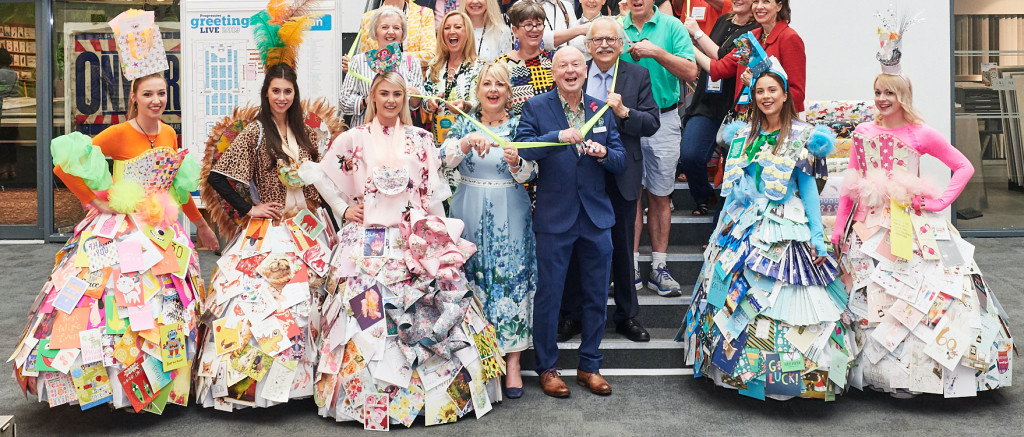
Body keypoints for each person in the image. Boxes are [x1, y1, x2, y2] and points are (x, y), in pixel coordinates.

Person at [300, 71, 502, 424]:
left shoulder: (422, 139)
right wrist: (345, 209)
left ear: (405, 98)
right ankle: (368, 402)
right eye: (384, 93)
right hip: (368, 241)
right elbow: (323, 176)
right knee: (367, 319)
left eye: (397, 94)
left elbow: (433, 192)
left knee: (431, 310)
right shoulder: (353, 139)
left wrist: (443, 238)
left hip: (415, 241)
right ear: (372, 98)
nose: (391, 100)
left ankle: (432, 399)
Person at [10, 72, 219, 411]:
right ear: (134, 97)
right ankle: (111, 388)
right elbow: (65, 164)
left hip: (160, 234)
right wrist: (94, 200)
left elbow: (176, 189)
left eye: (162, 94)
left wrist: (201, 226)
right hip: (120, 231)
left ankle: (159, 386)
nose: (156, 100)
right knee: (114, 308)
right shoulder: (119, 134)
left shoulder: (167, 132)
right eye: (148, 94)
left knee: (161, 307)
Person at [832, 42, 1013, 396]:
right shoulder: (863, 133)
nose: (883, 99)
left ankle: (923, 376)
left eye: (890, 93)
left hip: (910, 229)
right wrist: (839, 227)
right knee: (871, 298)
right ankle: (874, 373)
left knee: (918, 299)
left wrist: (939, 201)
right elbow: (850, 186)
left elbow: (963, 166)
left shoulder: (921, 133)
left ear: (904, 95)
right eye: (878, 92)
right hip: (867, 230)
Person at [678, 58, 849, 401]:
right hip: (744, 224)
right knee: (737, 296)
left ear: (786, 95)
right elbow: (735, 187)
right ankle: (741, 374)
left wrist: (817, 236)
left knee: (785, 295)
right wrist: (719, 232)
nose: (766, 96)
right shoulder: (743, 135)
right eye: (759, 91)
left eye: (772, 90)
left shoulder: (803, 137)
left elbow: (810, 189)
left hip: (785, 224)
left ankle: (792, 380)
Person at [200, 63, 328, 408]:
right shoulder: (257, 131)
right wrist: (249, 208)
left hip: (309, 227)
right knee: (268, 299)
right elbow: (218, 177)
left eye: (288, 91)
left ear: (294, 94)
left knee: (313, 294)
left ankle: (307, 382)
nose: (282, 97)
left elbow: (320, 179)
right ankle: (258, 387)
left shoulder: (306, 133)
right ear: (266, 93)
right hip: (273, 228)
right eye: (276, 91)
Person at [515, 46, 626, 398]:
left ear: (586, 69)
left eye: (576, 64)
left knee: (596, 295)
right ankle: (548, 368)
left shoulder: (601, 108)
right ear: (553, 72)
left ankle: (589, 366)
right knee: (549, 295)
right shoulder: (536, 107)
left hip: (596, 217)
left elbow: (621, 160)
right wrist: (556, 137)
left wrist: (605, 153)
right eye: (562, 65)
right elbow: (522, 149)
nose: (570, 70)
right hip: (554, 216)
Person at [440, 62, 538, 399]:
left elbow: (531, 173)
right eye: (487, 84)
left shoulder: (520, 126)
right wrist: (465, 143)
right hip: (468, 208)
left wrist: (516, 162)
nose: (493, 90)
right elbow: (442, 160)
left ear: (509, 92)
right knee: (472, 280)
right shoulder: (463, 123)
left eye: (500, 85)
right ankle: (476, 357)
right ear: (478, 90)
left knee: (509, 279)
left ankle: (512, 361)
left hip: (509, 209)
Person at [560, 16, 660, 343]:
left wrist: (624, 113)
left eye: (611, 40)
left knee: (621, 247)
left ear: (621, 45)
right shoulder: (576, 70)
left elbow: (652, 123)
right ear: (588, 45)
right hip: (583, 173)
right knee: (578, 245)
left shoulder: (638, 75)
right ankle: (573, 314)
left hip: (623, 174)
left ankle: (626, 316)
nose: (604, 45)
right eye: (597, 40)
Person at [620, 0, 698, 297]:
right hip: (624, 120)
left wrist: (656, 52)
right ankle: (631, 266)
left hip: (664, 118)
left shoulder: (672, 26)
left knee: (660, 195)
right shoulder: (616, 27)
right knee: (630, 195)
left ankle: (659, 267)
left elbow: (691, 72)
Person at [678, 0, 757, 216]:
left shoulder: (756, 29)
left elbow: (723, 59)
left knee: (733, 169)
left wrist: (695, 36)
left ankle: (721, 221)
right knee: (690, 156)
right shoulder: (724, 19)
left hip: (735, 108)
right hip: (707, 102)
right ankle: (703, 196)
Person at [693, 0, 805, 113]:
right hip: (745, 119)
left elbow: (797, 95)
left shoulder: (789, 38)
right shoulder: (750, 37)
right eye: (756, 1)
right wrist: (688, 45)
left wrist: (755, 84)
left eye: (766, 2)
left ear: (779, 6)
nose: (759, 7)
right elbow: (719, 69)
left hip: (774, 123)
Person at [424, 11, 486, 195]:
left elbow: (484, 101)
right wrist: (430, 103)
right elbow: (425, 99)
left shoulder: (479, 66)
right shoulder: (434, 65)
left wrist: (466, 106)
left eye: (458, 27)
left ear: (467, 33)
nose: (452, 31)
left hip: (468, 145)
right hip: (438, 146)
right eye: (447, 27)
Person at [341, 5, 425, 127]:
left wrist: (416, 96)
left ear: (402, 34)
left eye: (396, 28)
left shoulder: (412, 62)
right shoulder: (359, 61)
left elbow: (417, 104)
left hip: (400, 133)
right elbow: (344, 102)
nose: (391, 32)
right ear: (375, 32)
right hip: (366, 134)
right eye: (384, 27)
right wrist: (366, 101)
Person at [496, 1, 555, 115]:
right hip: (517, 129)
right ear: (515, 31)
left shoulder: (553, 60)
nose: (535, 29)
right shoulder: (501, 65)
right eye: (528, 25)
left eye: (538, 24)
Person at [357, 0, 437, 69]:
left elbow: (430, 55)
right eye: (384, 27)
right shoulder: (368, 17)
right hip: (377, 80)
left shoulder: (424, 14)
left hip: (413, 80)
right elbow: (365, 58)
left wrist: (395, 57)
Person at [0, 47, 19, 179]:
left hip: (2, 112)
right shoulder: (13, 74)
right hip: (13, 112)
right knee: (11, 141)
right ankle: (12, 169)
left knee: (2, 142)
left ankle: (3, 170)